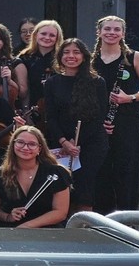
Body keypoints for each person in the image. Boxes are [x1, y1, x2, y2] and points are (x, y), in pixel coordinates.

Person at [92, 15, 139, 213]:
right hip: (99, 121)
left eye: (116, 30)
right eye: (107, 29)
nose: (112, 33)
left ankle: (127, 215)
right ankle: (103, 215)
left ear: (123, 34)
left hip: (127, 120)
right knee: (101, 168)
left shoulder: (134, 57)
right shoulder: (91, 59)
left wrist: (130, 98)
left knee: (127, 168)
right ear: (99, 32)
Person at [44, 38, 108, 213]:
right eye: (66, 52)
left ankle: (84, 225)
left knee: (85, 184)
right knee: (63, 184)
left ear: (84, 56)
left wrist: (76, 142)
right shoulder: (52, 82)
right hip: (61, 143)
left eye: (76, 52)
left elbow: (99, 117)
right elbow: (51, 117)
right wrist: (64, 142)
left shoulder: (97, 82)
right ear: (60, 56)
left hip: (90, 143)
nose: (70, 56)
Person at [0, 125, 70, 228]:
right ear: (13, 145)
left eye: (32, 144)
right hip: (12, 233)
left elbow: (60, 212)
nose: (25, 148)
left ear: (39, 148)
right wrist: (7, 217)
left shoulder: (56, 172)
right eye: (20, 142)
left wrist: (27, 226)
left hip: (47, 233)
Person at [17, 19, 63, 125]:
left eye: (52, 35)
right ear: (36, 35)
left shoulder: (63, 58)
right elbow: (25, 90)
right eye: (43, 34)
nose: (47, 38)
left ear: (57, 38)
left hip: (59, 112)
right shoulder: (25, 58)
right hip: (33, 111)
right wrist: (26, 114)